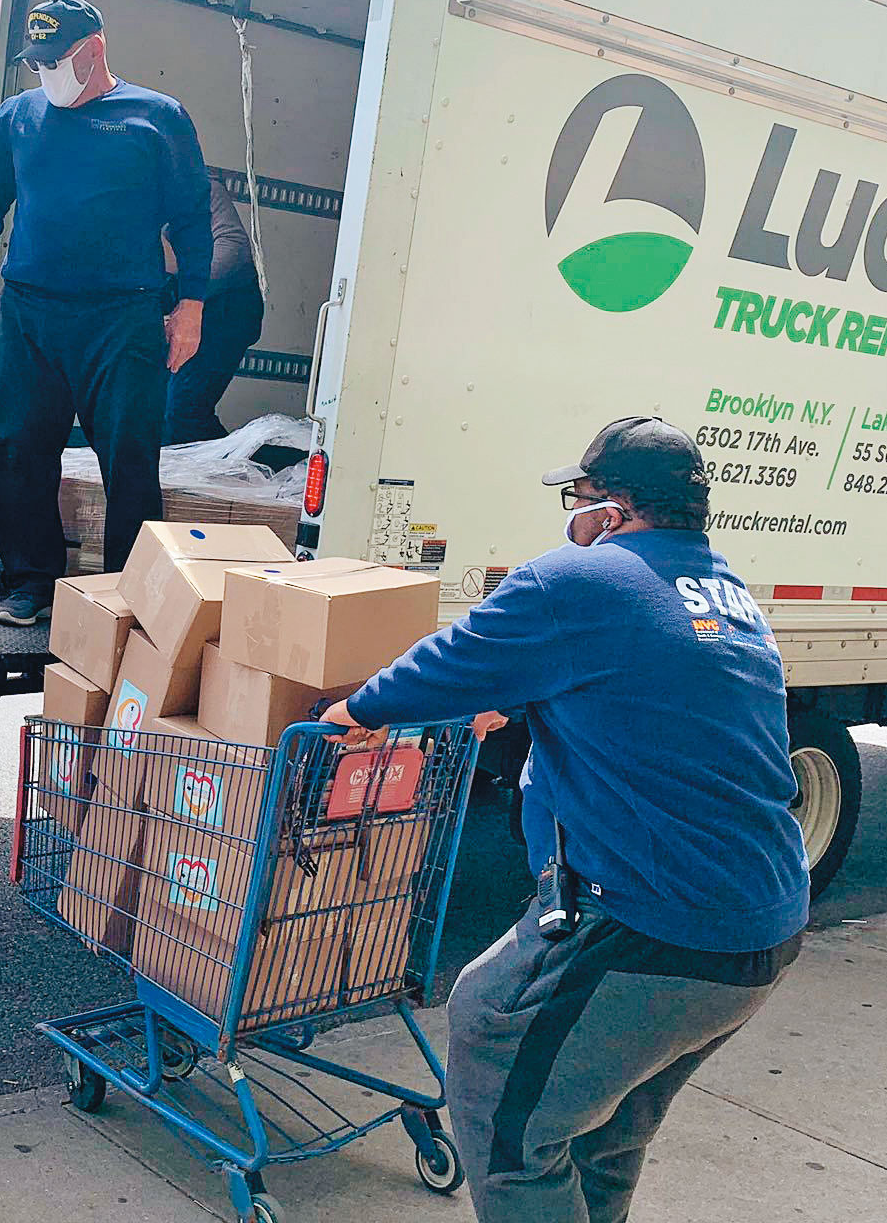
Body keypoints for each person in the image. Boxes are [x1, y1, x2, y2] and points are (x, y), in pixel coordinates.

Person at [321, 416, 809, 1223]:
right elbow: (642, 688)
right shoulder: (722, 591)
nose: (573, 517)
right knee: (600, 1134)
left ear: (613, 510)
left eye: (578, 499)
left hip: (652, 924)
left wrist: (354, 711)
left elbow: (449, 660)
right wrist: (505, 702)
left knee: (499, 1078)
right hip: (759, 926)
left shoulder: (580, 581)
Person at [0, 0, 212, 626]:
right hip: (30, 313)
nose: (46, 72)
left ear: (94, 49)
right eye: (37, 62)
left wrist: (191, 306)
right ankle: (31, 583)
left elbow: (191, 219)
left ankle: (127, 594)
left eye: (57, 60)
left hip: (123, 316)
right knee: (16, 448)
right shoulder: (17, 118)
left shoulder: (156, 118)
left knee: (130, 457)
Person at [161, 174, 265, 445]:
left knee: (184, 411)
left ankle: (242, 467)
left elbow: (233, 247)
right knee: (162, 411)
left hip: (226, 310)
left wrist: (189, 298)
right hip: (189, 304)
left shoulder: (201, 188)